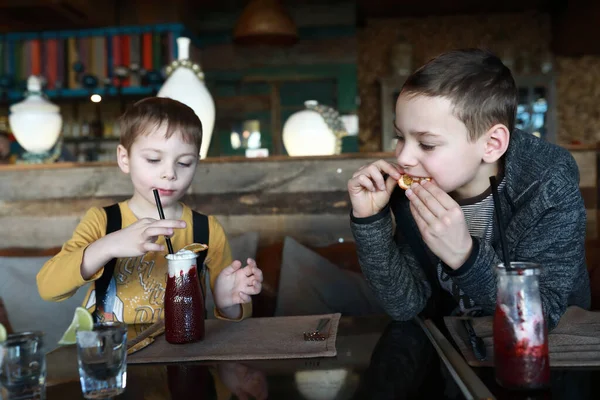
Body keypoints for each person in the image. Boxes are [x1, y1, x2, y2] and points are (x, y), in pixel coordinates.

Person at [347, 48, 590, 331]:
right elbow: (405, 306)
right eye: (400, 137)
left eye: (427, 144)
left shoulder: (548, 186)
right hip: (454, 355)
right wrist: (369, 221)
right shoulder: (412, 189)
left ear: (491, 144)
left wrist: (464, 255)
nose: (402, 158)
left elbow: (542, 317)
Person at [37, 97, 263, 324]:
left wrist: (227, 303)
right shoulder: (102, 222)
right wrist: (108, 245)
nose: (170, 173)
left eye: (184, 163)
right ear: (124, 159)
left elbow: (237, 319)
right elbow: (48, 288)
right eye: (154, 159)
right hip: (114, 355)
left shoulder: (207, 230)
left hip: (184, 353)